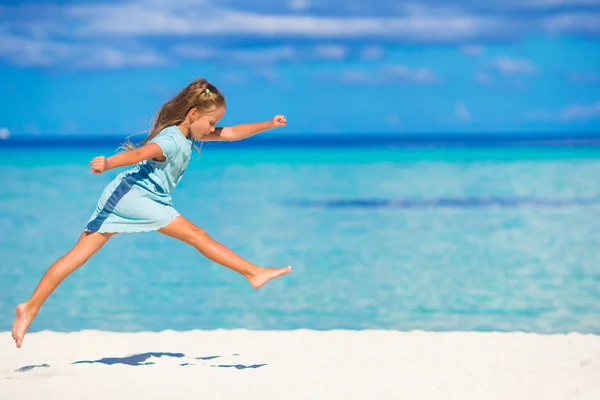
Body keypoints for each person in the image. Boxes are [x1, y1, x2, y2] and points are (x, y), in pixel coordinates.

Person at [11, 78, 292, 348]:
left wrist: (268, 124)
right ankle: (252, 272)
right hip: (135, 197)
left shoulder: (189, 133)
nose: (213, 128)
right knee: (196, 235)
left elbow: (232, 133)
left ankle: (30, 307)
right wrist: (108, 162)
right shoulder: (171, 139)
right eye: (211, 122)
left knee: (77, 256)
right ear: (193, 114)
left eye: (215, 123)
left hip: (125, 196)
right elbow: (137, 155)